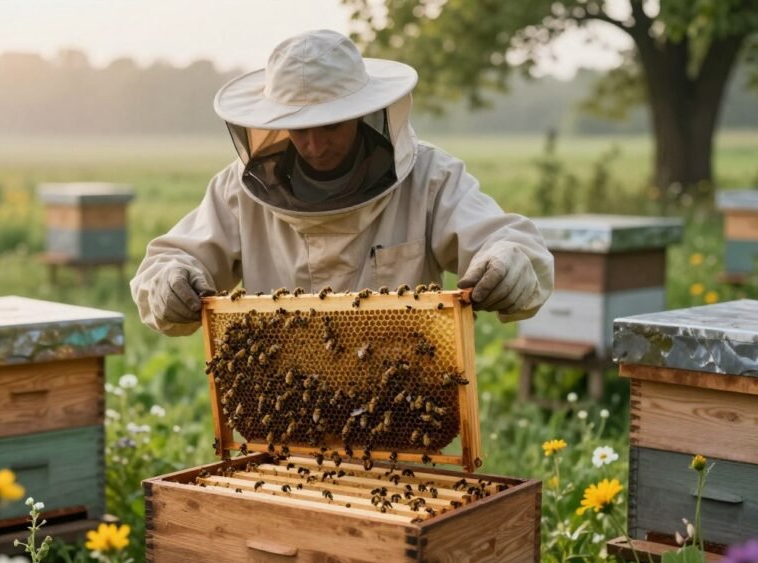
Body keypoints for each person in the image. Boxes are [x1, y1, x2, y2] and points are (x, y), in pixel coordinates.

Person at [131, 29, 553, 336]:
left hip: (401, 411)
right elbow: (170, 263)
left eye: (330, 125)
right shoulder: (238, 191)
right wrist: (171, 280)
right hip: (282, 413)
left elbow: (512, 245)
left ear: (362, 113)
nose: (314, 145)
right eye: (299, 128)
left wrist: (508, 261)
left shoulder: (430, 178)